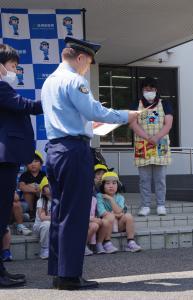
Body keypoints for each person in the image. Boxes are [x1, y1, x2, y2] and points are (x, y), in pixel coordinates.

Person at [40, 36, 143, 290]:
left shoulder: (49, 81)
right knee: (75, 215)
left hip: (54, 150)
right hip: (73, 150)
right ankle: (71, 276)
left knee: (60, 213)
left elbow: (78, 114)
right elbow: (94, 111)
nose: (88, 68)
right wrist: (125, 115)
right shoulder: (75, 80)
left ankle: (59, 271)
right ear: (81, 58)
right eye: (89, 63)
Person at [0, 43, 42, 287]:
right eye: (13, 66)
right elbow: (26, 105)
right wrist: (51, 99)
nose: (16, 71)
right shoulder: (1, 88)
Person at [130, 77, 173, 217]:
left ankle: (161, 205)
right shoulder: (135, 104)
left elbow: (168, 124)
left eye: (152, 89)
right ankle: (145, 206)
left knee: (160, 178)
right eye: (147, 89)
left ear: (156, 90)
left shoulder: (165, 103)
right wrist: (148, 137)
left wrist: (157, 137)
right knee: (144, 178)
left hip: (160, 144)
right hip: (142, 144)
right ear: (142, 90)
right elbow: (133, 124)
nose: (149, 91)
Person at [96, 172, 142, 253]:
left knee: (128, 216)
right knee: (110, 217)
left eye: (114, 183)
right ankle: (107, 243)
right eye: (107, 183)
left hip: (118, 225)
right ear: (103, 185)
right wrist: (117, 214)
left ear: (118, 185)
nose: (111, 186)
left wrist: (111, 199)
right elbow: (102, 213)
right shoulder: (99, 196)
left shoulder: (120, 197)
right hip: (105, 226)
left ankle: (131, 242)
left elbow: (119, 211)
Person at [18, 150, 46, 219]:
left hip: (41, 198)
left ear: (41, 164)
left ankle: (43, 212)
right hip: (28, 202)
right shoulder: (24, 175)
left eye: (36, 161)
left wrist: (37, 189)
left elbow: (47, 188)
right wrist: (35, 188)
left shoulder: (44, 175)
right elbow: (22, 187)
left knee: (44, 191)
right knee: (27, 193)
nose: (33, 164)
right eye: (30, 162)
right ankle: (30, 213)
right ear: (26, 165)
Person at [33, 177, 51, 260]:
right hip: (40, 227)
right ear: (43, 191)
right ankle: (44, 249)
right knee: (47, 224)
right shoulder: (41, 201)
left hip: (53, 225)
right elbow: (43, 217)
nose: (51, 187)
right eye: (48, 185)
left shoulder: (59, 200)